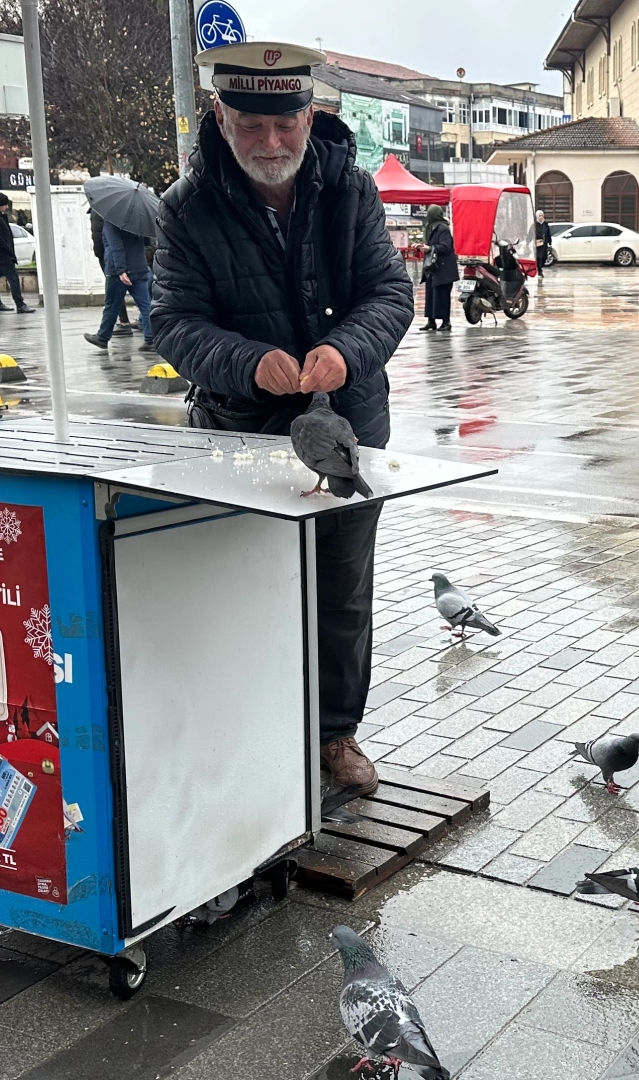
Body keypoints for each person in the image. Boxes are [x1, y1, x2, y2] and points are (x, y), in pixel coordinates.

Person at [151, 41, 413, 796]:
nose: (271, 144)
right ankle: (255, 730)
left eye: (286, 125)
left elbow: (390, 295)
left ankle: (335, 736)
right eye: (250, 126)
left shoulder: (350, 190)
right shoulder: (186, 207)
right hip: (239, 435)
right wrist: (246, 360)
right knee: (243, 584)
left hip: (346, 431)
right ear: (221, 117)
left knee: (339, 591)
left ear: (310, 115)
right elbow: (173, 321)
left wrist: (345, 350)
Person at [83, 215, 156, 351]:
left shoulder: (111, 220)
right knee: (145, 305)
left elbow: (115, 245)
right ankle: (151, 340)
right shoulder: (139, 219)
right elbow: (147, 241)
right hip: (139, 267)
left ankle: (102, 338)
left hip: (118, 271)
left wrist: (121, 270)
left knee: (111, 305)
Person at [90, 207, 135, 335]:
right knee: (141, 295)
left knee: (113, 296)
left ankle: (108, 332)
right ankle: (147, 329)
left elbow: (98, 238)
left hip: (111, 259)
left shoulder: (100, 210)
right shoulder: (122, 209)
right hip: (129, 259)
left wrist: (102, 256)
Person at [0, 192, 30, 313]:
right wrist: (8, 252)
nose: (7, 208)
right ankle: (20, 304)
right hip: (1, 254)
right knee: (13, 278)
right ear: (2, 204)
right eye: (6, 205)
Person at [419, 203, 456, 331]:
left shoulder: (442, 228)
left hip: (443, 268)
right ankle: (431, 320)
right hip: (432, 267)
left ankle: (446, 322)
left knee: (442, 295)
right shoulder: (430, 227)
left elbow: (446, 246)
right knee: (431, 294)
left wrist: (430, 248)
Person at [532, 209, 552, 278]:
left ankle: (540, 268)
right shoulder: (534, 225)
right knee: (539, 257)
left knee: (543, 258)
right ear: (537, 216)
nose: (541, 217)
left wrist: (550, 241)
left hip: (544, 244)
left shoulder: (545, 224)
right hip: (537, 244)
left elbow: (548, 233)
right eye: (540, 215)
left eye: (542, 215)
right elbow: (530, 234)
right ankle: (540, 271)